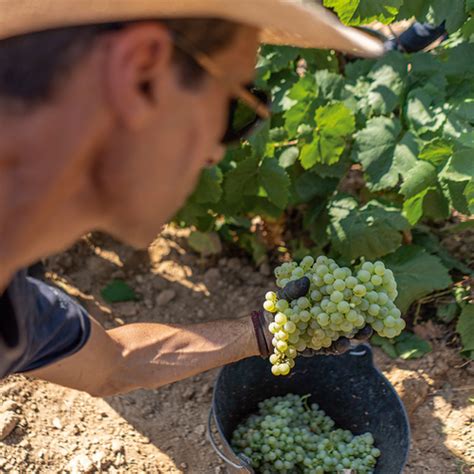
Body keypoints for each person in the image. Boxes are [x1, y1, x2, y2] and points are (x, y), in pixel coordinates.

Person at [0, 1, 382, 397]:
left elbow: (114, 364)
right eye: (234, 109)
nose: (218, 153)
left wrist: (262, 332)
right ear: (141, 70)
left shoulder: (13, 289)